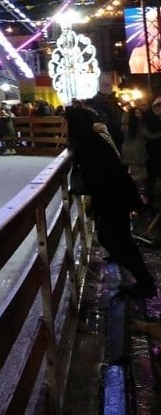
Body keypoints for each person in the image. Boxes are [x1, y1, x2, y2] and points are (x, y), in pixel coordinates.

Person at [65, 105, 156, 298]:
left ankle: (145, 282)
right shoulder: (91, 141)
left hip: (114, 198)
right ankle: (144, 281)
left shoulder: (89, 145)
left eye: (66, 124)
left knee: (113, 238)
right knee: (117, 238)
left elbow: (103, 176)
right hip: (114, 196)